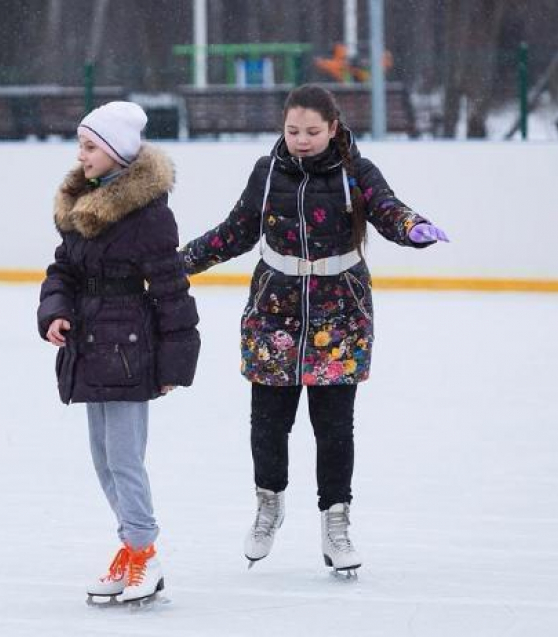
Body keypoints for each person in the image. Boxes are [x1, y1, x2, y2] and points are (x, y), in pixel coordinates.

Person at [180, 84, 449, 576]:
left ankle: (336, 521)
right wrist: (182, 262)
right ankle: (269, 504)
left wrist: (413, 227)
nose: (301, 140)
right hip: (274, 311)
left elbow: (388, 210)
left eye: (312, 131)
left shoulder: (356, 173)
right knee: (268, 422)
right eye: (292, 131)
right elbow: (236, 231)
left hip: (339, 314)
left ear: (332, 128)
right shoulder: (266, 174)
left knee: (333, 428)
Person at [38, 101, 200, 603]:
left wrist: (174, 361)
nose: (81, 156)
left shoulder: (148, 215)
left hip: (130, 350)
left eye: (90, 147)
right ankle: (131, 547)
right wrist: (54, 312)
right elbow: (62, 270)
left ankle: (144, 554)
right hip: (89, 347)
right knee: (104, 460)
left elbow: (172, 289)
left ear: (116, 152)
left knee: (126, 459)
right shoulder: (82, 206)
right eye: (80, 145)